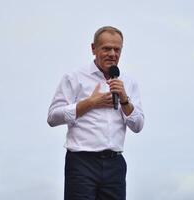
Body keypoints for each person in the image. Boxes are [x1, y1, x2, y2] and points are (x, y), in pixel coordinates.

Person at [47, 26, 144, 200]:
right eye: (106, 48)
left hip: (115, 164)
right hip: (81, 162)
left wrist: (124, 99)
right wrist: (90, 103)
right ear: (93, 49)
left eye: (117, 49)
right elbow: (53, 117)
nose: (112, 54)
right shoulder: (74, 78)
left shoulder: (128, 83)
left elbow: (138, 125)